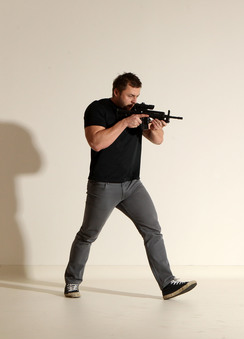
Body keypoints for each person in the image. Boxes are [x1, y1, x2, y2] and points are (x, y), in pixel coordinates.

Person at [64, 72, 196, 300]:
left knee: (153, 230)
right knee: (88, 235)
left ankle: (167, 284)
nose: (134, 100)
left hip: (133, 185)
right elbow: (96, 143)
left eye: (137, 95)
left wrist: (156, 127)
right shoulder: (98, 109)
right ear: (116, 92)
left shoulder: (136, 111)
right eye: (130, 95)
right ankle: (72, 282)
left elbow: (157, 140)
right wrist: (125, 122)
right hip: (104, 185)